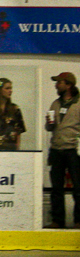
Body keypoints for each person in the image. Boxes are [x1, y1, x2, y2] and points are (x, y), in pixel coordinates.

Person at [45, 72, 80, 228]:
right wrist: (49, 124)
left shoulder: (78, 104)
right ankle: (57, 220)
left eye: (59, 82)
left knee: (78, 188)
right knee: (56, 188)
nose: (56, 85)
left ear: (68, 85)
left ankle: (79, 220)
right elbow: (49, 127)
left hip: (72, 150)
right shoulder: (55, 104)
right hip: (56, 150)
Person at [0, 78, 26, 150]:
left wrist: (18, 148)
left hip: (11, 149)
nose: (10, 91)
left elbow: (18, 131)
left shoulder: (15, 109)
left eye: (11, 88)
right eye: (7, 88)